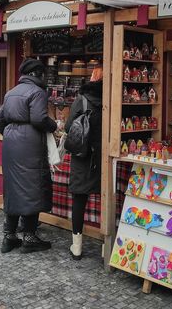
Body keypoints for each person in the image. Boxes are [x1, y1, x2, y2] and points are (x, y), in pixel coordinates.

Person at [0, 58, 57, 254]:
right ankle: (29, 237)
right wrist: (54, 126)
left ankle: (9, 236)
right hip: (30, 144)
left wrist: (10, 134)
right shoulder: (38, 92)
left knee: (13, 187)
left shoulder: (11, 92)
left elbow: (0, 119)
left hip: (11, 144)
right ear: (37, 74)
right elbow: (39, 119)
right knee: (33, 187)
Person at [65, 66, 103, 260]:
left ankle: (77, 247)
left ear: (92, 78)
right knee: (107, 200)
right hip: (103, 157)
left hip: (82, 157)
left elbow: (68, 126)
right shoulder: (110, 100)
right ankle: (107, 246)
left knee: (79, 200)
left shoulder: (82, 100)